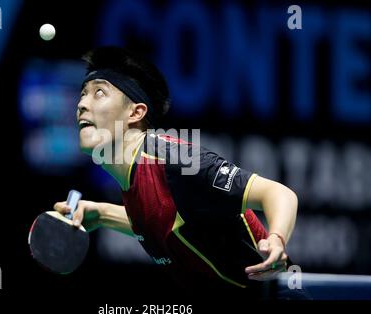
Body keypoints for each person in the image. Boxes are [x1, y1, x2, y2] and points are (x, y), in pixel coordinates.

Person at [53, 46, 298, 297]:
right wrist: (102, 213)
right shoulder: (134, 176)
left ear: (135, 113)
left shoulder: (174, 160)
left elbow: (279, 193)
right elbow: (164, 217)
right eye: (82, 94)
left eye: (99, 93)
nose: (81, 104)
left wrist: (277, 239)